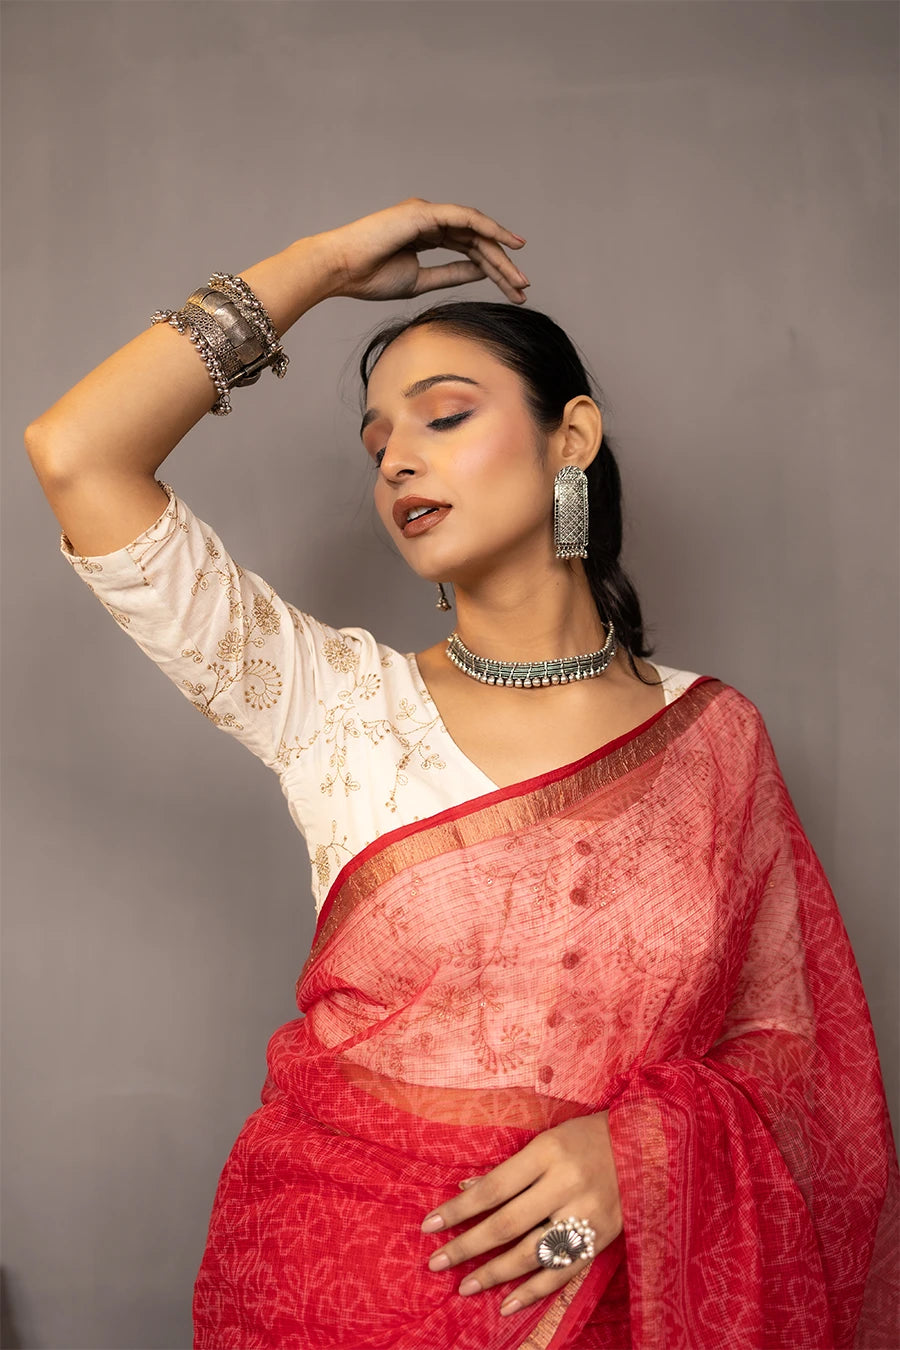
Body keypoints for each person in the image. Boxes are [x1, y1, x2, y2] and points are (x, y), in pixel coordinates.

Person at [25, 198, 899, 1349]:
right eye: (378, 442)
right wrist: (318, 268)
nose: (398, 460)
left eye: (442, 417)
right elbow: (77, 452)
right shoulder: (329, 701)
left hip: (620, 1312)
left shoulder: (714, 740)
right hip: (327, 1292)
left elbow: (798, 1061)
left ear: (571, 437)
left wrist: (635, 1158)